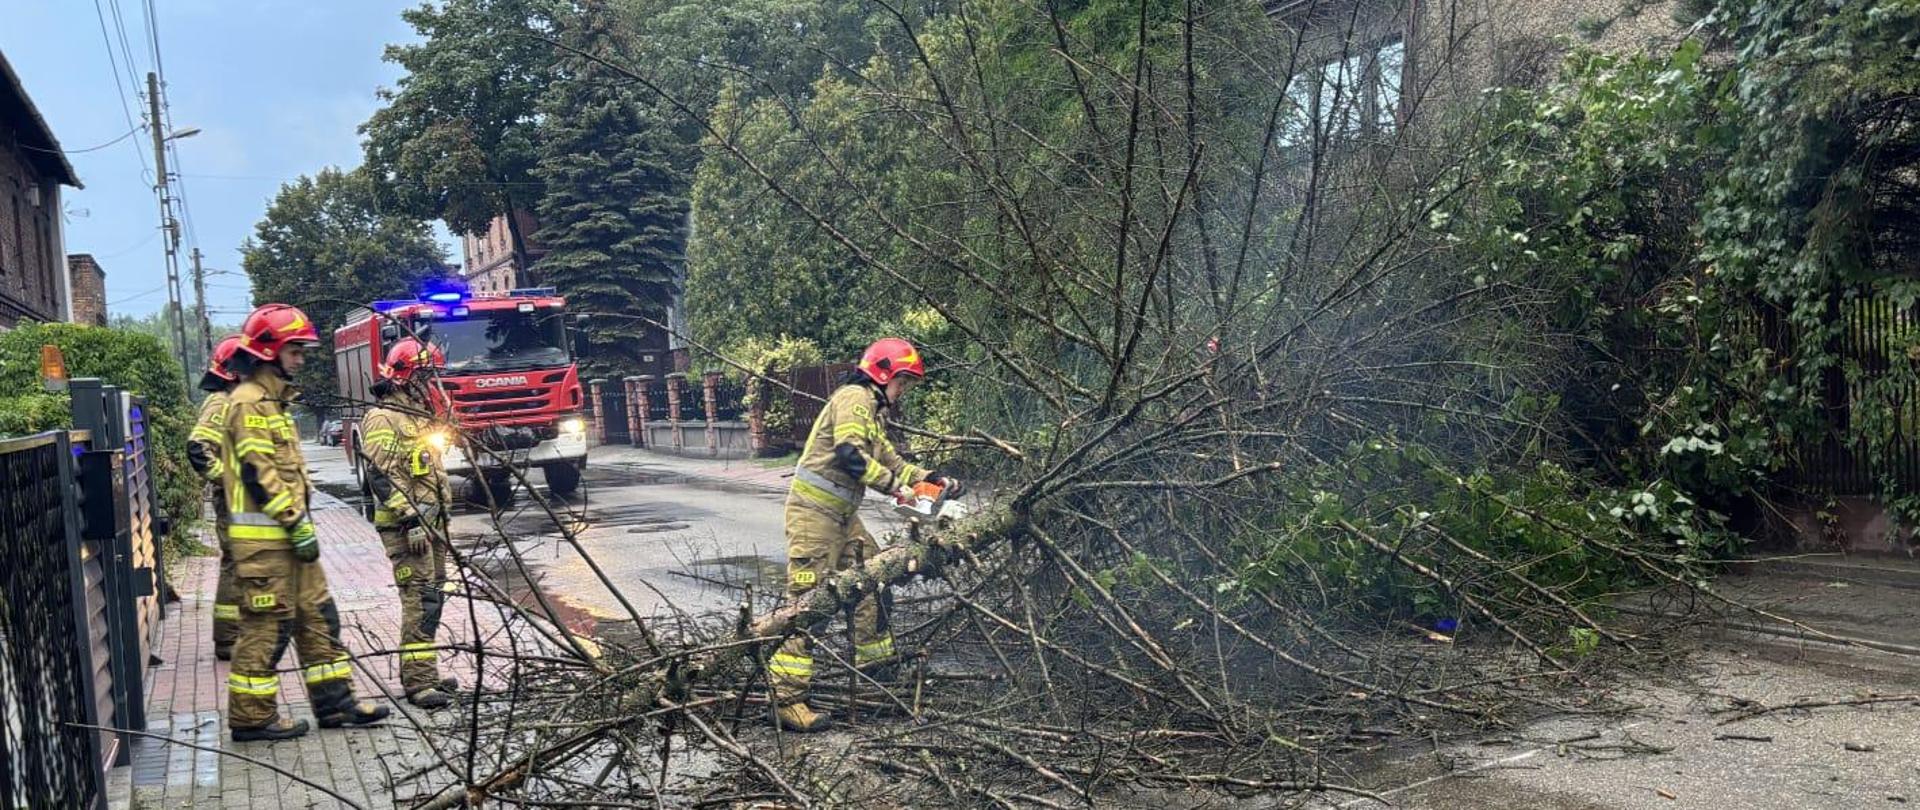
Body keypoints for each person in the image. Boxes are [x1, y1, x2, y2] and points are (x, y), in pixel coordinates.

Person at [769, 337, 963, 732]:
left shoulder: (871, 412)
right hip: (814, 517)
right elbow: (851, 455)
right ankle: (786, 699)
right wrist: (896, 488)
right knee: (810, 604)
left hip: (842, 517)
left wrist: (929, 479)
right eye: (902, 382)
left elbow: (888, 458)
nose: (903, 391)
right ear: (883, 373)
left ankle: (877, 683)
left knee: (872, 585)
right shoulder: (854, 398)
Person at [221, 303, 390, 742]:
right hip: (267, 545)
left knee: (319, 619)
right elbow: (260, 471)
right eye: (294, 351)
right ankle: (251, 717)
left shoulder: (274, 403)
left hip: (290, 540)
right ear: (269, 351)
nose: (300, 359)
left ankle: (337, 705)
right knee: (267, 628)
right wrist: (295, 520)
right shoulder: (248, 404)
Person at [357, 337, 459, 709]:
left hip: (432, 527)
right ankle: (418, 684)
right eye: (426, 376)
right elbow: (380, 476)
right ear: (405, 378)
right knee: (418, 600)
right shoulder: (383, 418)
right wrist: (411, 518)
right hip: (408, 529)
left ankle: (427, 673)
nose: (432, 383)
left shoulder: (417, 417)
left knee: (432, 599)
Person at [187, 335, 245, 660]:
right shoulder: (221, 402)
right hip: (235, 503)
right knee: (236, 566)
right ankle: (227, 639)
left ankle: (238, 635)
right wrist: (230, 479)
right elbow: (198, 447)